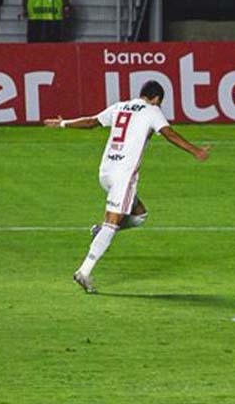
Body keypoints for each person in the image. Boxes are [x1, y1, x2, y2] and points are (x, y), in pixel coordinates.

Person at [44, 81, 210, 293]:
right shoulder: (152, 111)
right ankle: (84, 271)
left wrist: (63, 123)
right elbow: (168, 133)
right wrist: (195, 150)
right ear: (157, 98)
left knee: (139, 215)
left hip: (105, 172)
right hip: (123, 176)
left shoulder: (120, 106)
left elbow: (91, 122)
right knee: (112, 223)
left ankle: (100, 231)